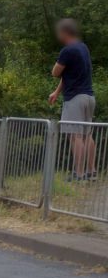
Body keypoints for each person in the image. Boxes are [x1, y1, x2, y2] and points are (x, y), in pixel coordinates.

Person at [48, 18, 96, 181]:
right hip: (88, 97)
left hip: (75, 98)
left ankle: (79, 174)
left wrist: (56, 68)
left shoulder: (67, 51)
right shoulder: (83, 48)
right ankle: (91, 172)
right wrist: (56, 92)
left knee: (75, 136)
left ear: (64, 33)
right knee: (86, 135)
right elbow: (70, 75)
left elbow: (56, 72)